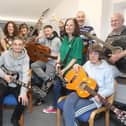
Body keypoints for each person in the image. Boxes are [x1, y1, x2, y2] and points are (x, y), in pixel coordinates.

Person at [62, 44, 114, 126]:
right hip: (81, 91)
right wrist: (77, 66)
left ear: (100, 55)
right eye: (90, 53)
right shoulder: (88, 63)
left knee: (71, 112)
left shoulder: (107, 69)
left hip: (93, 97)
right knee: (69, 101)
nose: (92, 56)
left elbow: (110, 89)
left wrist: (101, 95)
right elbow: (80, 73)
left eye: (95, 54)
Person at [43, 18, 83, 113]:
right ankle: (56, 107)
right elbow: (60, 52)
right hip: (62, 68)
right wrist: (58, 63)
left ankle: (67, 109)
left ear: (75, 27)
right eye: (67, 25)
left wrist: (64, 70)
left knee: (69, 90)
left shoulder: (78, 40)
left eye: (71, 25)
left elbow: (75, 58)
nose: (68, 27)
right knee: (56, 86)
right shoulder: (65, 38)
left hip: (72, 69)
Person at [0, 36, 30, 126]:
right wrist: (4, 76)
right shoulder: (5, 54)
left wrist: (23, 92)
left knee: (23, 101)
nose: (17, 47)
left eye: (20, 45)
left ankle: (15, 119)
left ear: (23, 46)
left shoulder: (26, 58)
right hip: (4, 82)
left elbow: (25, 75)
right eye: (15, 44)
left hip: (18, 83)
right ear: (11, 45)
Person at [31, 25, 61, 105]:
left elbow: (62, 52)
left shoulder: (57, 40)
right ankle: (48, 79)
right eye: (45, 31)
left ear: (52, 31)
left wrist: (58, 62)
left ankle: (41, 98)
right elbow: (36, 44)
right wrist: (37, 38)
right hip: (44, 60)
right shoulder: (44, 39)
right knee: (33, 65)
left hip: (53, 62)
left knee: (45, 83)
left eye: (48, 31)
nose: (46, 32)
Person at [105, 13, 126, 77]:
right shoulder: (110, 35)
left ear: (122, 21)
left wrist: (119, 55)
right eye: (112, 21)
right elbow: (105, 50)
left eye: (116, 20)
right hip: (114, 67)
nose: (113, 23)